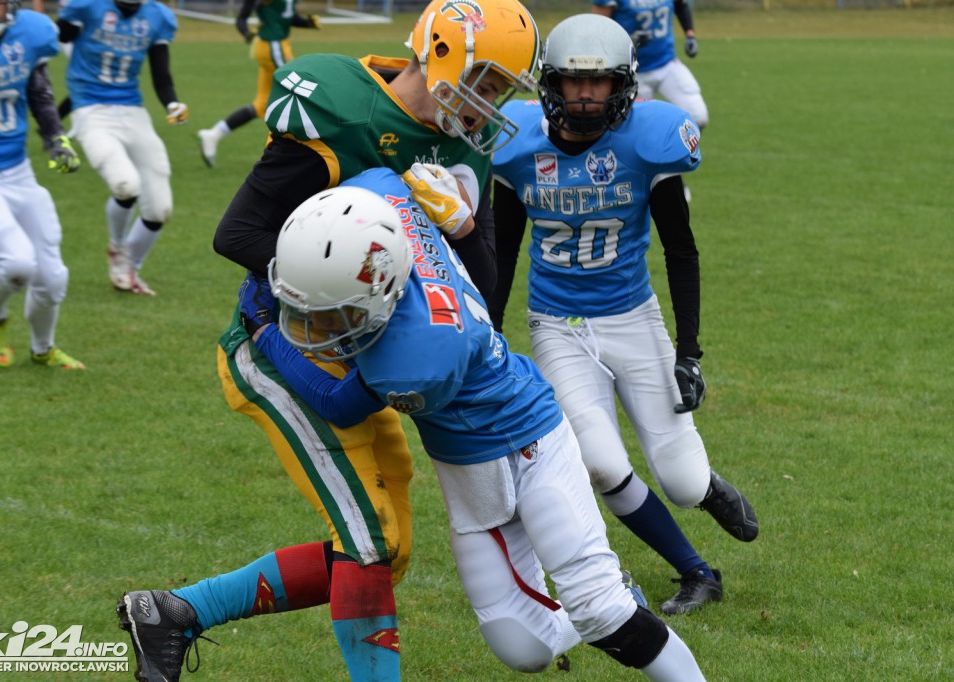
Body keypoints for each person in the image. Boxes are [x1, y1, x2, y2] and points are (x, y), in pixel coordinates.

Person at [115, 1, 541, 680]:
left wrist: (460, 229)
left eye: (502, 92)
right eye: (484, 82)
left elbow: (482, 295)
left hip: (362, 355)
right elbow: (238, 234)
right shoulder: (348, 109)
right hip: (280, 346)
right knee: (370, 541)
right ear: (440, 55)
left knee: (388, 549)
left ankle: (172, 613)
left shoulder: (463, 146)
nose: (488, 104)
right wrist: (348, 289)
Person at [254, 174, 708, 678]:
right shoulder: (380, 192)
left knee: (600, 610)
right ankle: (617, 600)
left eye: (336, 315)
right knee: (524, 648)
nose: (320, 327)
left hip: (529, 440)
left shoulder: (414, 359)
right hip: (469, 475)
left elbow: (336, 404)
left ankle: (633, 621)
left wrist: (266, 335)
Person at [488, 14, 759, 615]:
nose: (586, 96)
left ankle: (706, 487)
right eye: (573, 82)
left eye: (600, 83)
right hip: (557, 325)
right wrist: (487, 330)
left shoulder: (648, 139)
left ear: (624, 86)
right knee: (602, 463)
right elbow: (503, 250)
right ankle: (696, 572)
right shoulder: (515, 145)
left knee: (682, 482)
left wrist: (689, 352)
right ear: (549, 84)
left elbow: (680, 250)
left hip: (634, 318)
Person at [0, 0, 85, 370]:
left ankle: (43, 349)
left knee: (53, 275)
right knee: (16, 263)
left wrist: (55, 137)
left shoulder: (29, 34)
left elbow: (38, 92)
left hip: (18, 171)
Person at [56, 0, 189, 296]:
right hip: (91, 110)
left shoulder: (157, 16)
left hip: (132, 110)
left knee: (159, 209)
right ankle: (118, 249)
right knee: (126, 185)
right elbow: (60, 37)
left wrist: (172, 102)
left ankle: (131, 268)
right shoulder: (89, 6)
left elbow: (160, 73)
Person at [196, 0, 320, 168]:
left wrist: (306, 23)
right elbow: (248, 11)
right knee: (301, 91)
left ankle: (214, 134)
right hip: (272, 45)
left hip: (279, 45)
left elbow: (285, 15)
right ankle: (307, 154)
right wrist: (245, 29)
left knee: (262, 105)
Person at [592, 0, 707, 130]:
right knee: (635, 129)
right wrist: (628, 39)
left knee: (698, 116)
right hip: (632, 73)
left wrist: (690, 34)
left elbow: (680, 5)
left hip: (666, 63)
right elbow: (597, 31)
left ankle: (671, 142)